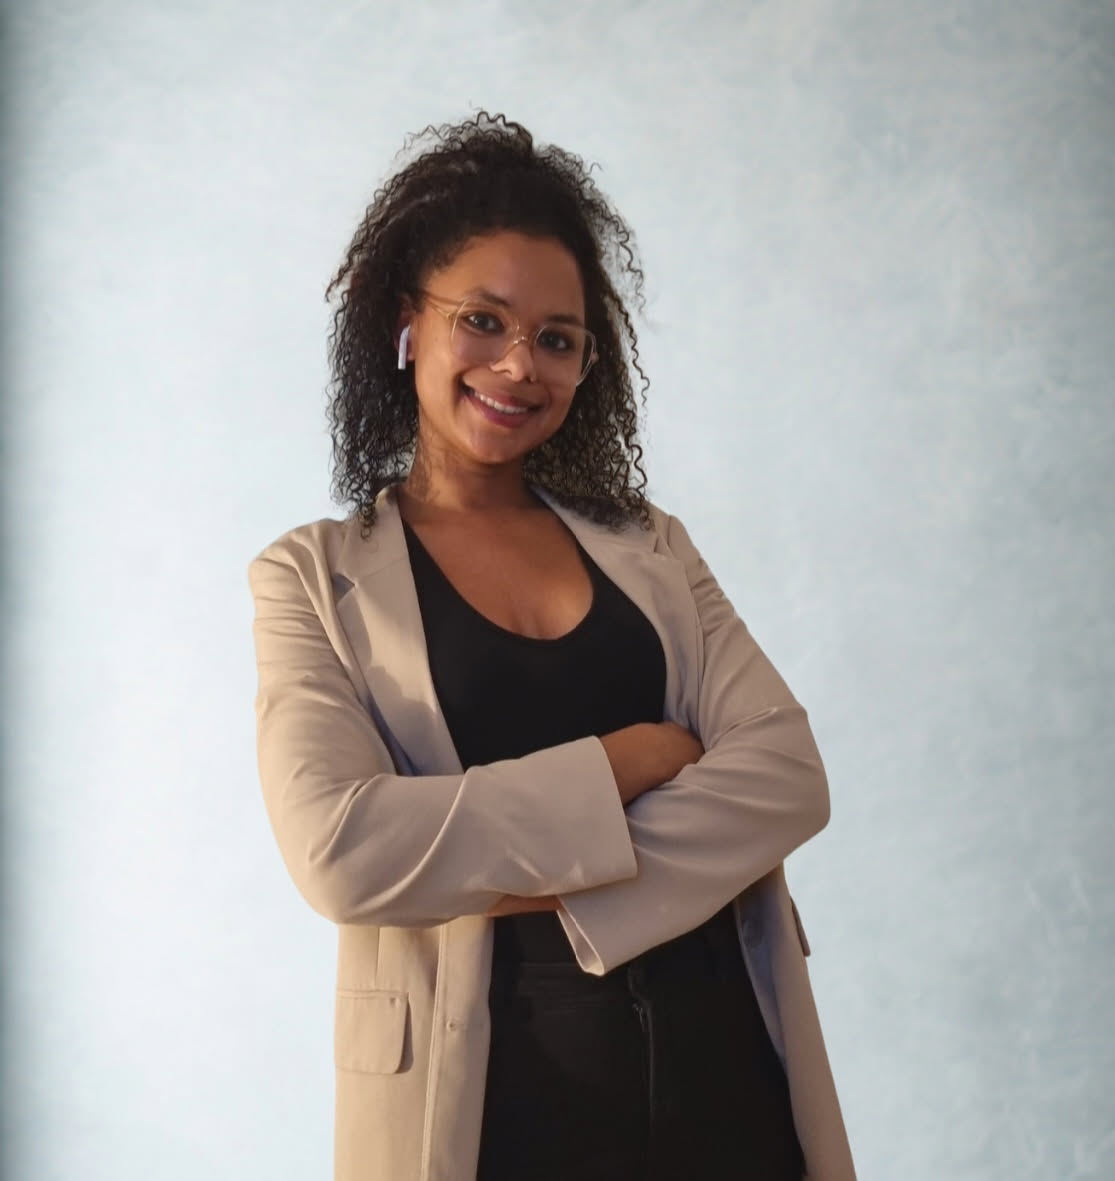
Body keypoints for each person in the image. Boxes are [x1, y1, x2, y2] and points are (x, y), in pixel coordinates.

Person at [248, 112, 855, 1181]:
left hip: (732, 1085)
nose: (519, 365)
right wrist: (628, 761)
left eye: (558, 339)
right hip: (490, 1115)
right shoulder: (310, 577)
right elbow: (345, 851)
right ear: (406, 323)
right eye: (482, 320)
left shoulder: (652, 546)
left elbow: (787, 777)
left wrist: (501, 870)